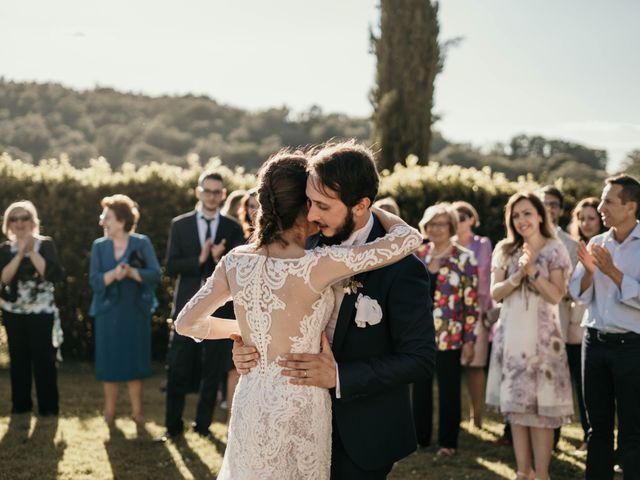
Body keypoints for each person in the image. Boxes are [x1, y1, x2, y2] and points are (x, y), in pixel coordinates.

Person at [175, 148, 426, 479]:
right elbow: (408, 237)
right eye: (313, 202)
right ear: (303, 207)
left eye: (324, 203)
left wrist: (254, 331)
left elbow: (186, 322)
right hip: (302, 404)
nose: (318, 212)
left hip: (258, 402)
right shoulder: (317, 262)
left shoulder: (235, 260)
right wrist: (253, 333)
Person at [486, 192, 573, 480]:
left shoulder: (555, 249)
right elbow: (495, 293)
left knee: (542, 411)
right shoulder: (505, 249)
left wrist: (533, 270)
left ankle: (542, 474)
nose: (521, 220)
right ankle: (523, 472)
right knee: (517, 409)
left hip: (544, 339)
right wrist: (517, 276)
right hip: (512, 337)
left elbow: (556, 295)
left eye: (527, 213)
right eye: (516, 214)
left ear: (539, 215)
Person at [159, 171, 245, 442]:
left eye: (217, 192)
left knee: (212, 371)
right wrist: (199, 258)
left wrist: (220, 259)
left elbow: (239, 271)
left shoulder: (232, 227)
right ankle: (172, 427)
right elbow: (171, 266)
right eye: (207, 191)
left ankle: (203, 426)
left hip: (219, 311)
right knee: (177, 368)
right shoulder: (180, 225)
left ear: (222, 195)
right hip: (186, 306)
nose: (212, 196)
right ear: (198, 192)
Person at [569, 175, 640, 479]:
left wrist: (612, 272)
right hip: (594, 344)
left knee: (633, 426)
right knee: (597, 426)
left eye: (608, 201)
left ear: (631, 206)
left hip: (632, 348)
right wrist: (588, 272)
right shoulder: (596, 243)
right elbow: (577, 292)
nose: (600, 207)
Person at [88, 194, 161, 425]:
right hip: (107, 313)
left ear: (120, 220)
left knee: (134, 360)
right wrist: (113, 275)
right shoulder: (99, 246)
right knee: (109, 360)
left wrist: (131, 273)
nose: (102, 221)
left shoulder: (142, 242)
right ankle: (108, 413)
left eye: (106, 217)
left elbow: (155, 274)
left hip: (134, 311)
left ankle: (137, 413)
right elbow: (94, 280)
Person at [413, 202, 478, 456]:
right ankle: (420, 438)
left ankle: (448, 443)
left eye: (441, 224)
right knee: (420, 388)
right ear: (425, 227)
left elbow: (470, 304)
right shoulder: (417, 256)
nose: (436, 229)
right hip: (419, 335)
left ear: (451, 226)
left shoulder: (464, 258)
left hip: (451, 336)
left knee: (450, 390)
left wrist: (470, 340)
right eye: (431, 224)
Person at [0, 200, 64, 417]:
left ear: (32, 221)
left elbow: (53, 275)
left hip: (41, 311)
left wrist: (31, 250)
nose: (19, 222)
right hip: (13, 312)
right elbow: (4, 279)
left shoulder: (45, 244)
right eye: (14, 219)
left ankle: (48, 408)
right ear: (9, 223)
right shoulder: (5, 249)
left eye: (24, 217)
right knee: (18, 359)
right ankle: (21, 405)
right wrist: (19, 254)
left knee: (44, 359)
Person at [566, 197, 606, 453]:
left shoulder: (604, 246)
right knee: (582, 386)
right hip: (571, 323)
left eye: (592, 218)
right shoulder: (569, 247)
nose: (586, 223)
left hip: (596, 322)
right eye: (582, 218)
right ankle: (587, 434)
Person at [452, 200, 494, 430]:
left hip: (476, 310)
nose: (459, 221)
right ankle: (454, 417)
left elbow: (484, 278)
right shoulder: (445, 245)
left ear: (472, 219)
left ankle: (476, 415)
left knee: (475, 365)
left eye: (464, 216)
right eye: (456, 217)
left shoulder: (482, 244)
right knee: (450, 366)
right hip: (450, 313)